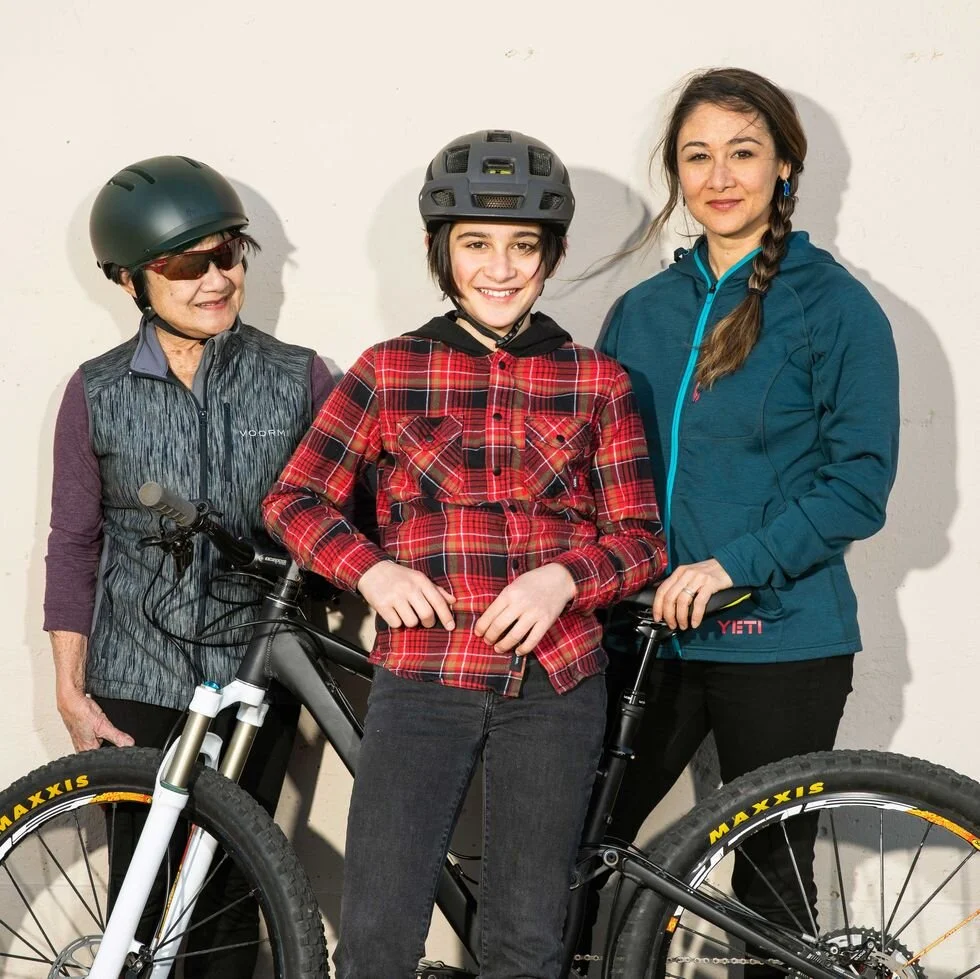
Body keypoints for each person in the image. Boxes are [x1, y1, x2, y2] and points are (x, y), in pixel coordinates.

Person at [263, 130, 667, 979]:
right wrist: (369, 568)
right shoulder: (387, 371)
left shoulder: (599, 382)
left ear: (550, 256)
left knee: (526, 938)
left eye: (524, 247)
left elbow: (640, 539)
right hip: (421, 681)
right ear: (437, 251)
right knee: (377, 933)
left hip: (554, 686)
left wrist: (564, 578)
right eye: (477, 245)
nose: (501, 267)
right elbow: (292, 501)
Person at [597, 68, 900, 969]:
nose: (719, 175)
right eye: (698, 156)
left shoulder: (836, 308)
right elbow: (598, 468)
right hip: (646, 633)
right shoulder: (642, 310)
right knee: (582, 845)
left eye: (743, 152)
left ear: (784, 167)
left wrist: (730, 565)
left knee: (770, 876)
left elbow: (859, 484)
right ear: (676, 173)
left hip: (784, 641)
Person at [43, 154, 334, 976]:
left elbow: (349, 516)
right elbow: (74, 542)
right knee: (139, 893)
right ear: (131, 280)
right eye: (184, 263)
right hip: (135, 673)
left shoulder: (299, 377)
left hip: (256, 677)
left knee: (235, 893)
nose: (215, 279)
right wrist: (70, 685)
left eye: (227, 254)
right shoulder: (95, 391)